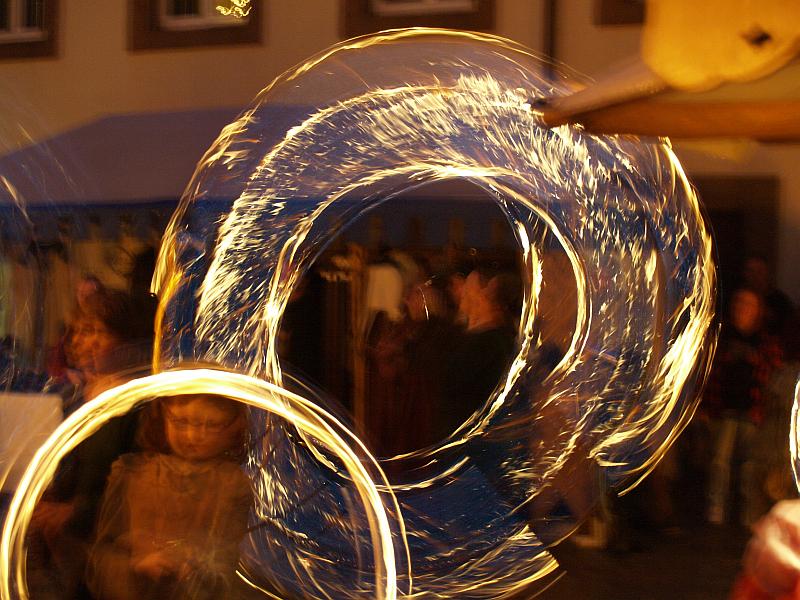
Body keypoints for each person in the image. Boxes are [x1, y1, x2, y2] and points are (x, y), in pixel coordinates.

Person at [87, 393, 252, 600]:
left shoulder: (232, 486)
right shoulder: (132, 474)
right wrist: (135, 567)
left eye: (211, 425)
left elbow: (233, 563)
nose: (193, 436)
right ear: (162, 414)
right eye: (180, 421)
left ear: (233, 426)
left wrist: (199, 570)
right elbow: (100, 561)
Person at [705, 287, 782, 526]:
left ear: (758, 311)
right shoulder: (724, 337)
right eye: (739, 303)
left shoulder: (765, 342)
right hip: (725, 410)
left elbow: (772, 376)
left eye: (749, 305)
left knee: (750, 466)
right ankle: (716, 511)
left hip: (752, 412)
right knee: (720, 462)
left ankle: (749, 515)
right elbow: (711, 374)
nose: (742, 309)